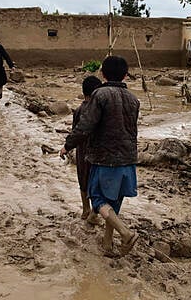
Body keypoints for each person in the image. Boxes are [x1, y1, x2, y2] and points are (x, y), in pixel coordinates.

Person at [60, 56, 140, 257]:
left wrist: (68, 145)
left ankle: (125, 233)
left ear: (103, 74)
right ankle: (107, 244)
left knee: (98, 200)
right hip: (128, 159)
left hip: (105, 158)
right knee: (113, 204)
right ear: (124, 74)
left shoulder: (100, 94)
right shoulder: (133, 99)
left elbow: (86, 126)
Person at [72, 75, 103, 223]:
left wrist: (68, 146)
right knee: (96, 182)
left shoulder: (79, 110)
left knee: (83, 181)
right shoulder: (100, 110)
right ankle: (95, 213)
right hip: (97, 151)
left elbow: (75, 131)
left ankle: (85, 209)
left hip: (82, 150)